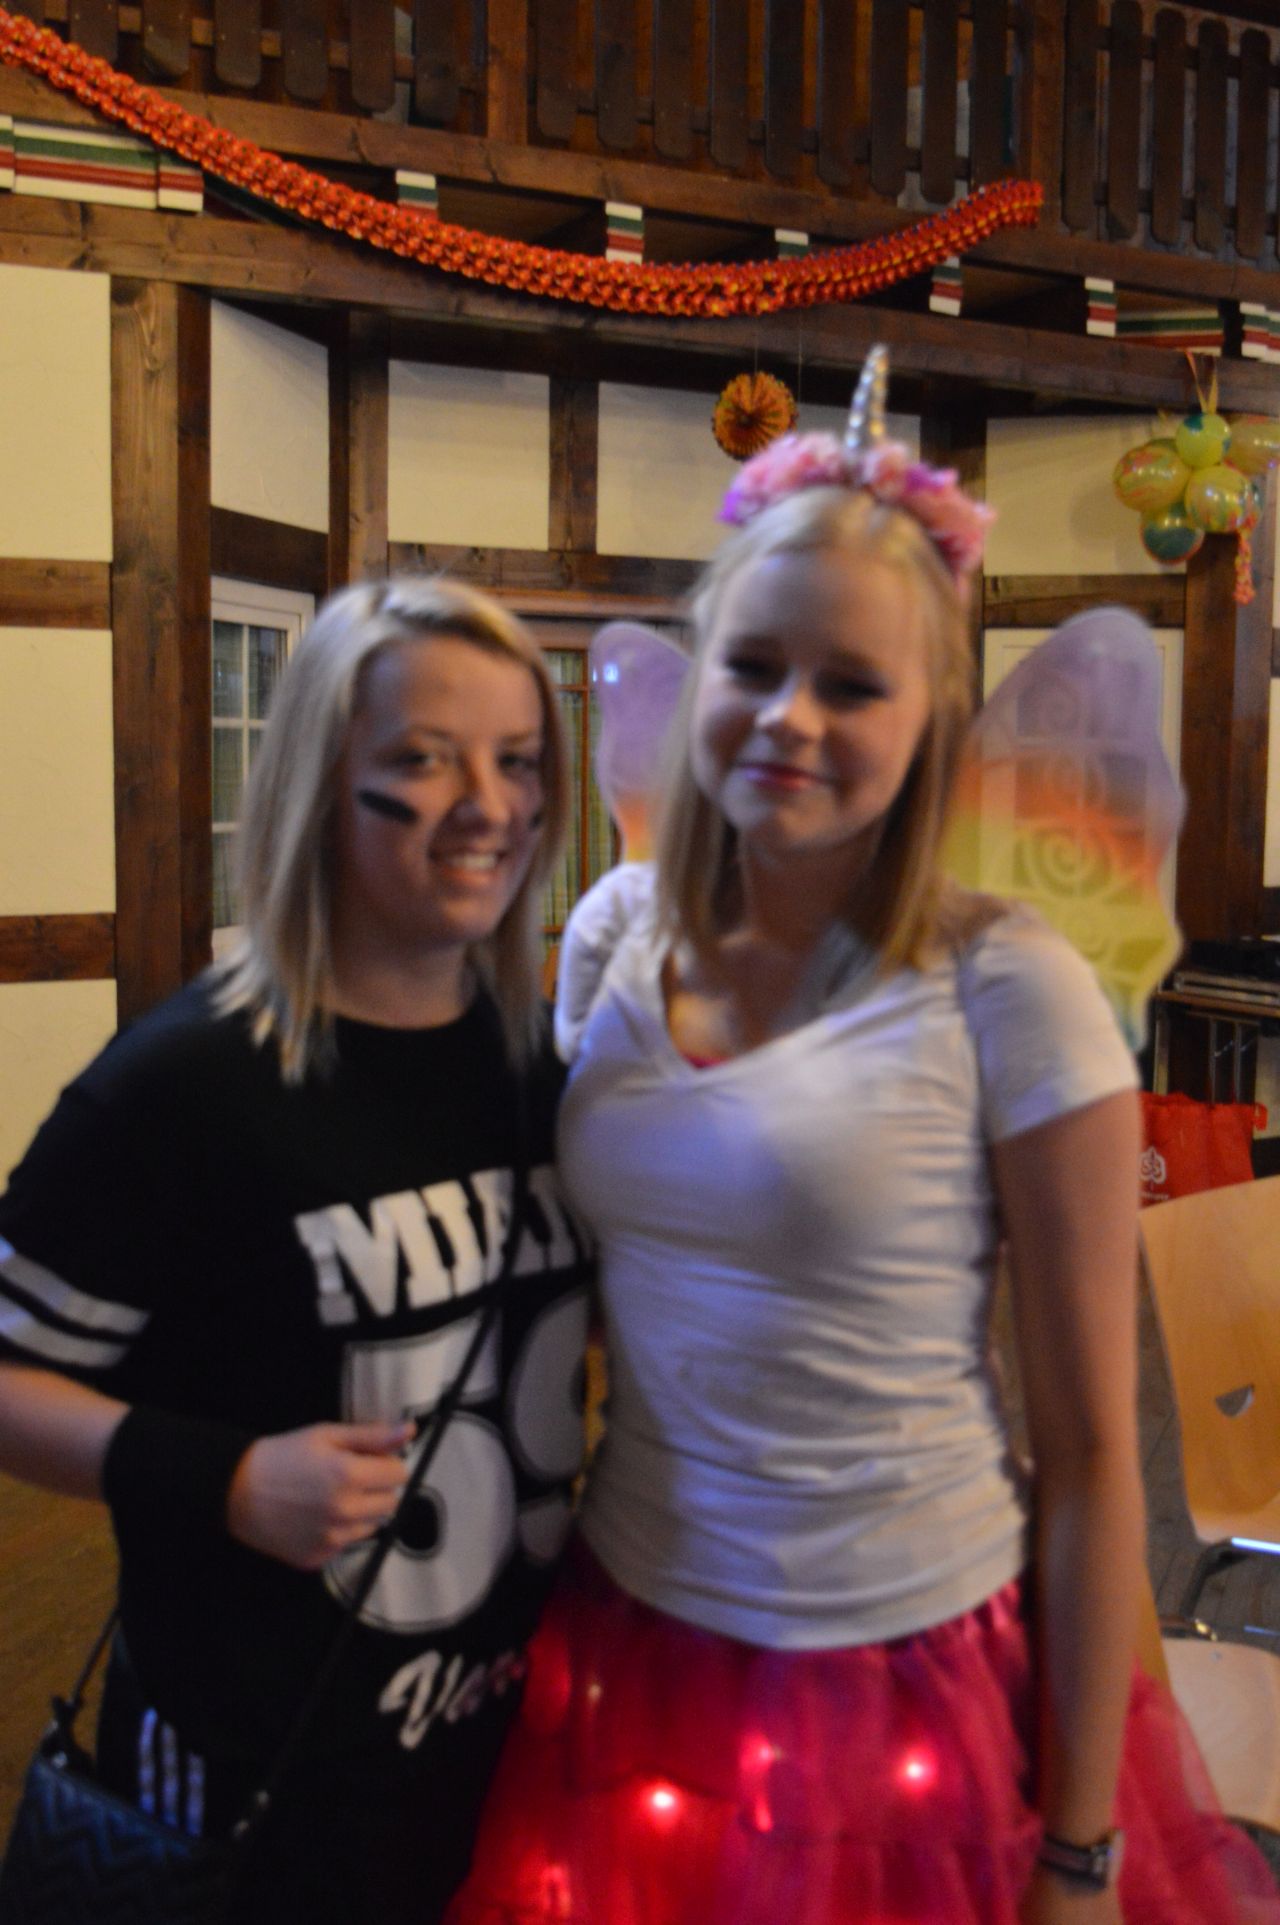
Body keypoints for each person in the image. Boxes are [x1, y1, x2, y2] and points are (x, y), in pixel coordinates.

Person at [445, 400, 1280, 1924]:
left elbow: (1095, 1456)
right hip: (631, 1640)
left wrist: (1080, 1850)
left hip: (904, 1675)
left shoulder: (1008, 984)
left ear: (931, 718)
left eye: (852, 683)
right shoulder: (615, 932)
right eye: (753, 666)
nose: (790, 717)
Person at [0, 576, 593, 1924]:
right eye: (422, 760)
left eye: (516, 761)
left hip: (507, 1759)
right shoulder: (183, 1086)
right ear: (321, 783)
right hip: (257, 1781)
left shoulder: (541, 1065)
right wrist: (221, 1479)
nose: (487, 805)